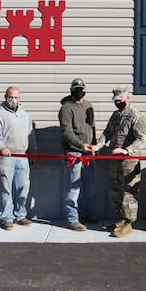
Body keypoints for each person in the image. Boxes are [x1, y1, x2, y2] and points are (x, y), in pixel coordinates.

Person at [93, 87, 146, 238]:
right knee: (115, 191)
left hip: (128, 162)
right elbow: (107, 133)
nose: (118, 103)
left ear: (127, 99)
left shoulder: (135, 116)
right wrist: (99, 145)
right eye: (116, 101)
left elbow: (141, 139)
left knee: (128, 192)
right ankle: (122, 218)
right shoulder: (116, 115)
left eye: (120, 101)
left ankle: (128, 223)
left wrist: (127, 150)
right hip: (114, 162)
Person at [0, 86, 37, 231]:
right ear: (5, 97)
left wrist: (33, 152)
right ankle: (7, 218)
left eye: (16, 97)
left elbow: (31, 135)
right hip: (5, 157)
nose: (13, 100)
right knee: (6, 188)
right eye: (11, 97)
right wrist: (1, 147)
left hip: (22, 156)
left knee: (23, 187)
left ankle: (20, 215)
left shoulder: (25, 115)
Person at [59, 78, 97, 231]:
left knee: (90, 186)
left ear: (85, 89)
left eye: (81, 88)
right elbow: (66, 132)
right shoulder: (66, 108)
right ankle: (72, 218)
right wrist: (81, 145)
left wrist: (94, 145)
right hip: (74, 152)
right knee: (73, 187)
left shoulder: (88, 106)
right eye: (76, 89)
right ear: (71, 90)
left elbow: (92, 127)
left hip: (89, 153)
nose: (79, 91)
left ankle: (85, 213)